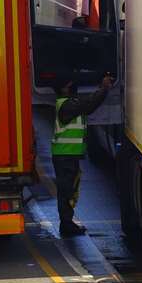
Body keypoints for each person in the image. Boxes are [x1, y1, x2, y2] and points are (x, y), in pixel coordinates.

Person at [51, 73, 115, 238]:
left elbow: (86, 104)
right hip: (64, 155)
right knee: (66, 191)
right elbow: (88, 104)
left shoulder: (68, 104)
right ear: (64, 88)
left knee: (70, 189)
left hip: (67, 155)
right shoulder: (66, 106)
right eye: (70, 83)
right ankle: (66, 224)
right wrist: (104, 88)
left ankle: (67, 222)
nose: (74, 86)